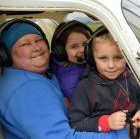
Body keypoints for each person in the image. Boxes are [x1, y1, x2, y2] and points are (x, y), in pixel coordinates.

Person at [0, 19, 128, 139]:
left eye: (38, 40)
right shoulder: (27, 89)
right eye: (25, 44)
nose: (36, 47)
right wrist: (123, 134)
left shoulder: (39, 74)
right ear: (6, 55)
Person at [68, 26, 140, 138]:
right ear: (92, 58)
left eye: (118, 57)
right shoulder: (85, 88)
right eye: (103, 58)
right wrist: (106, 123)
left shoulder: (133, 78)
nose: (111, 65)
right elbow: (75, 124)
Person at [51, 20, 93, 102]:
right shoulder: (69, 80)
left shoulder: (79, 64)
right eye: (74, 47)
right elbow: (84, 103)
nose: (82, 50)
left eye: (85, 44)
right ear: (61, 51)